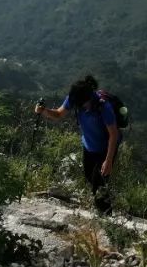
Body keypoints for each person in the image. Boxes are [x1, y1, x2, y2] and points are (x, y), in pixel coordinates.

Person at [35, 74, 121, 212]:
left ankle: (106, 217)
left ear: (89, 98)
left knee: (98, 184)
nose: (80, 107)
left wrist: (109, 160)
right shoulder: (75, 98)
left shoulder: (103, 107)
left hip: (106, 148)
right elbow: (58, 114)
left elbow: (113, 134)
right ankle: (106, 205)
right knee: (89, 177)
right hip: (89, 146)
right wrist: (43, 110)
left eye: (82, 105)